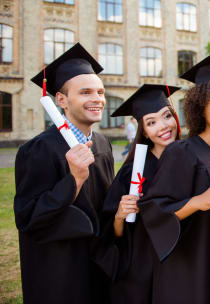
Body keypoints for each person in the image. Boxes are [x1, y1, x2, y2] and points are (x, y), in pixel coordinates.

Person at [137, 53, 210, 303]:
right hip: (190, 273)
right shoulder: (181, 153)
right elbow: (152, 211)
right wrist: (197, 201)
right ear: (200, 106)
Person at [14, 43, 115, 304]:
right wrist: (74, 180)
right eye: (85, 92)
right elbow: (29, 219)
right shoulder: (39, 149)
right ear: (61, 100)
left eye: (100, 92)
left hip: (100, 263)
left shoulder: (102, 144)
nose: (97, 98)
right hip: (61, 270)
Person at [93, 84, 181, 303]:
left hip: (184, 263)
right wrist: (120, 215)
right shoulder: (133, 171)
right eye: (151, 122)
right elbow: (114, 234)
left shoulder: (193, 159)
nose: (163, 126)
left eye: (167, 116)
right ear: (145, 131)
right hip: (143, 267)